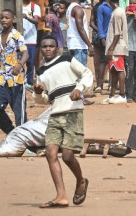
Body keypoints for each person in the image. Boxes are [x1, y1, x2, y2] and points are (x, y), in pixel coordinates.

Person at [34, 35, 92, 208]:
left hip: (72, 112)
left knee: (67, 156)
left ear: (57, 48)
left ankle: (81, 180)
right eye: (44, 46)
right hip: (55, 114)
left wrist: (79, 88)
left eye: (51, 46)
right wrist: (38, 92)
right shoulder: (41, 72)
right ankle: (61, 195)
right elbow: (43, 99)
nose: (48, 49)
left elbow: (87, 74)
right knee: (50, 153)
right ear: (41, 49)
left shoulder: (67, 60)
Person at [103, 0, 128, 104]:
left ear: (109, 0)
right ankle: (112, 95)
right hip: (115, 46)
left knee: (119, 70)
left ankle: (122, 94)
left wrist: (111, 48)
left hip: (117, 47)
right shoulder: (117, 11)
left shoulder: (117, 13)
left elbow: (117, 33)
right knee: (113, 71)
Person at [66, 0, 92, 69]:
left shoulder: (70, 7)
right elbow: (80, 29)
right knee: (80, 74)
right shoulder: (78, 9)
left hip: (73, 44)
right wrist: (89, 45)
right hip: (79, 45)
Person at [22, 0, 41, 88]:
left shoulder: (35, 7)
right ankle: (20, 80)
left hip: (31, 39)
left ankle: (29, 82)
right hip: (19, 39)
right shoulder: (18, 5)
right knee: (19, 60)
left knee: (30, 62)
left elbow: (36, 21)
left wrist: (27, 17)